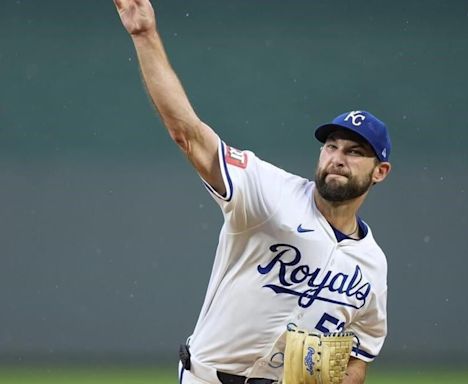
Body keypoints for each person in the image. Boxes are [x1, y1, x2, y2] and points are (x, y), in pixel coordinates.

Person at [114, 1, 392, 383]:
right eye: (332, 146)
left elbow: (362, 350)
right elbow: (188, 134)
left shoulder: (372, 265)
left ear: (380, 172)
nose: (337, 158)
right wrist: (145, 35)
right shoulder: (268, 192)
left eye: (355, 152)